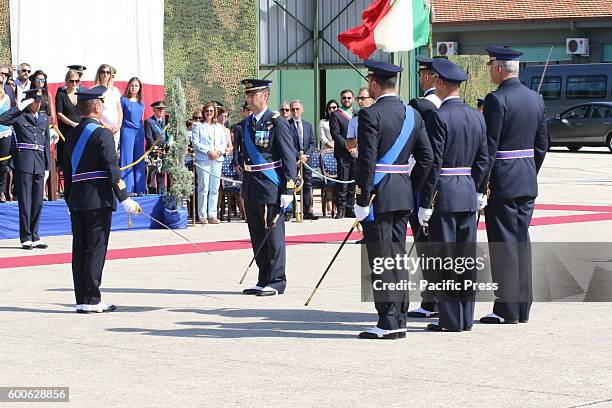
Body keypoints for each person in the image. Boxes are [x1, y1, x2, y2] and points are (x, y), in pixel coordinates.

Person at [353, 60, 433, 339]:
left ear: (374, 84)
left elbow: (367, 161)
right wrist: (411, 186)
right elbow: (427, 158)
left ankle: (387, 320)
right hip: (402, 193)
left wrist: (362, 200)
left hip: (378, 195)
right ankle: (398, 316)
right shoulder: (413, 114)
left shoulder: (369, 115)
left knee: (380, 258)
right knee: (397, 257)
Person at [417, 58, 489, 332]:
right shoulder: (475, 116)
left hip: (445, 194)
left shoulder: (439, 116)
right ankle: (465, 317)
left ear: (439, 83)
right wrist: (479, 190)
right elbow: (484, 159)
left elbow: (433, 163)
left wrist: (425, 203)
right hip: (468, 192)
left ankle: (450, 319)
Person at [479, 45, 548, 325]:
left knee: (503, 245)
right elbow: (542, 145)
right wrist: (529, 171)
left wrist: (482, 185)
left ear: (498, 69)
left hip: (504, 183)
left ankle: (506, 309)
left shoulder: (496, 100)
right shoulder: (536, 98)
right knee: (521, 243)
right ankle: (522, 308)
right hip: (526, 181)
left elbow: (489, 147)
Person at [63, 85, 142, 313]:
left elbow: (68, 175)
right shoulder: (103, 134)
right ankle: (93, 299)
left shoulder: (71, 136)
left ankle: (82, 298)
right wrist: (125, 197)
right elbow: (112, 169)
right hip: (98, 200)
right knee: (96, 249)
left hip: (78, 200)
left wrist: (70, 201)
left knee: (80, 250)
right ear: (97, 107)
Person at [233, 79, 297, 296]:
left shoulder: (277, 122)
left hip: (271, 185)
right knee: (257, 233)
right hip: (251, 184)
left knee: (273, 235)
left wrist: (288, 189)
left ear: (265, 96)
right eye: (248, 95)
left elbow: (289, 156)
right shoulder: (246, 124)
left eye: (253, 95)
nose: (249, 99)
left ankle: (277, 280)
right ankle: (264, 278)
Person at [406, 55, 443, 319]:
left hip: (424, 182)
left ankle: (432, 301)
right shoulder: (455, 106)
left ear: (430, 77)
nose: (420, 79)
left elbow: (418, 151)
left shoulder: (419, 107)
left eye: (422, 74)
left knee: (426, 245)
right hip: (452, 184)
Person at [0, 88, 51, 249]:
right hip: (24, 162)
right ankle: (26, 237)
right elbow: (2, 119)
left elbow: (45, 143)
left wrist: (48, 166)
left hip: (39, 162)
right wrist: (21, 107)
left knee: (38, 201)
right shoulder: (20, 116)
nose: (37, 104)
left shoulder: (43, 118)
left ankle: (35, 235)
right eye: (34, 101)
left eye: (38, 101)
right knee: (26, 201)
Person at [192, 101, 228, 224]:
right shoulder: (198, 126)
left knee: (214, 188)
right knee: (203, 187)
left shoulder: (218, 127)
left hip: (217, 159)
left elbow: (224, 143)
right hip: (204, 159)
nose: (209, 113)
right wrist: (209, 151)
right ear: (203, 112)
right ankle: (202, 215)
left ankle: (212, 214)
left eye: (211, 111)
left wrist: (218, 152)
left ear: (214, 112)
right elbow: (195, 143)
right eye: (207, 111)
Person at [288, 99, 318, 220]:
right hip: (293, 159)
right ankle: (292, 210)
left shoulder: (307, 125)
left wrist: (306, 155)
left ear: (302, 110)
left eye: (297, 109)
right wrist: (298, 155)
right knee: (292, 183)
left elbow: (313, 142)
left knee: (308, 183)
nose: (295, 111)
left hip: (307, 159)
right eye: (293, 109)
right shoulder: (287, 125)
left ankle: (307, 210)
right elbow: (288, 143)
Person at [329, 89, 356, 219]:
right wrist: (348, 147)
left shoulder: (358, 114)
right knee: (343, 181)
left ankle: (350, 208)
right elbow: (335, 134)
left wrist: (356, 148)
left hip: (356, 153)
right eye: (344, 98)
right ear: (341, 99)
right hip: (343, 153)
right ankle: (341, 209)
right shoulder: (336, 115)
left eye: (349, 98)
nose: (346, 100)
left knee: (353, 182)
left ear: (353, 99)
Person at [119, 77, 146, 194]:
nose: (134, 87)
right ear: (128, 86)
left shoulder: (141, 102)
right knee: (127, 159)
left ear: (139, 88)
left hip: (139, 132)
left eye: (136, 85)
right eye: (132, 85)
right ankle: (127, 189)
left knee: (139, 159)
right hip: (127, 131)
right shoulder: (123, 100)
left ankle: (140, 189)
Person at [55, 69, 82, 170]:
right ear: (66, 81)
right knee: (68, 161)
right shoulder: (61, 94)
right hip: (66, 131)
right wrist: (72, 124)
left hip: (80, 129)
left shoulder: (81, 93)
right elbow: (59, 114)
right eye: (71, 81)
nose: (74, 83)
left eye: (76, 81)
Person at [94, 64, 122, 150]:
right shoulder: (94, 90)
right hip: (101, 128)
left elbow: (119, 109)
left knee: (114, 154)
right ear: (99, 74)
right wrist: (105, 126)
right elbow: (94, 112)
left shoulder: (115, 90)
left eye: (108, 72)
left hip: (115, 129)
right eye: (103, 72)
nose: (105, 74)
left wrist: (119, 125)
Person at [144, 101, 169, 194]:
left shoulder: (166, 121)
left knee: (162, 175)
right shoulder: (149, 122)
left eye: (162, 109)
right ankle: (151, 195)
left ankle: (161, 196)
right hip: (153, 153)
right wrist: (156, 149)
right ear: (154, 110)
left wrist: (166, 147)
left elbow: (168, 136)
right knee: (151, 176)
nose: (161, 111)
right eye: (159, 109)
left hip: (164, 153)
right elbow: (149, 138)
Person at [0, 72, 11, 202]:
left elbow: (8, 116)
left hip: (4, 133)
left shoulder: (7, 98)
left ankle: (1, 191)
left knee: (3, 163)